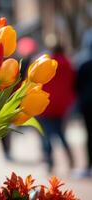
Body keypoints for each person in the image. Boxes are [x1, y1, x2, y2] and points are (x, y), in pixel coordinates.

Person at [38, 44, 76, 173]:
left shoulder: (47, 63)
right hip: (62, 105)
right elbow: (73, 83)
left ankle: (49, 161)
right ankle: (70, 159)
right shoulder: (69, 64)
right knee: (60, 133)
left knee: (46, 134)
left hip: (45, 103)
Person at [76, 32, 92, 176]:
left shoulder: (84, 63)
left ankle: (89, 165)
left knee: (89, 134)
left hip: (87, 104)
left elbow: (77, 84)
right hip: (87, 103)